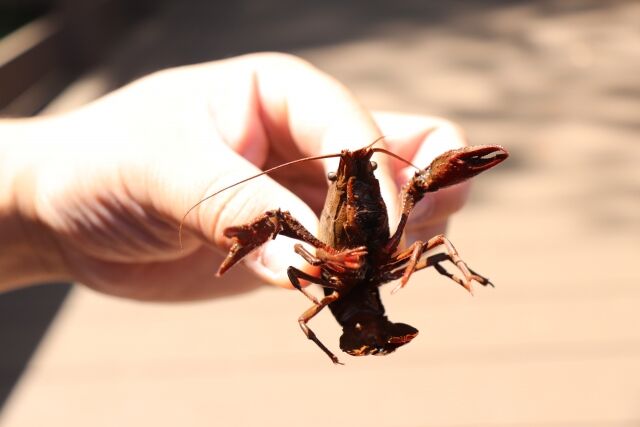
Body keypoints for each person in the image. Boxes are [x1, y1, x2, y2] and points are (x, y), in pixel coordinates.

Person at [0, 52, 470, 301]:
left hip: (368, 270)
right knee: (282, 220)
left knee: (417, 201)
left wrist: (41, 226)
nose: (357, 181)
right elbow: (295, 252)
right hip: (335, 281)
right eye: (340, 180)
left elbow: (420, 219)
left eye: (369, 170)